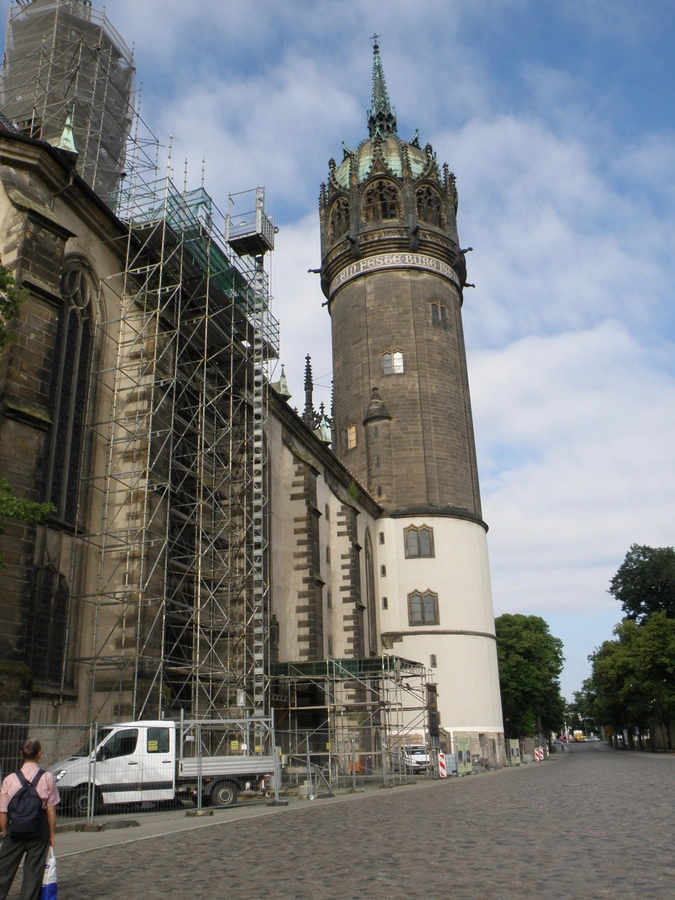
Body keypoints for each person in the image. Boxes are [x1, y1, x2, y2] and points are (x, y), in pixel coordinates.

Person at [0, 738, 60, 900]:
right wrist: (51, 834)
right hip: (38, 831)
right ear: (39, 754)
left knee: (3, 871)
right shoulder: (47, 778)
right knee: (33, 875)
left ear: (21, 753)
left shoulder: (9, 780)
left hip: (14, 830)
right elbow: (51, 809)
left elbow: (3, 812)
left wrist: (6, 832)